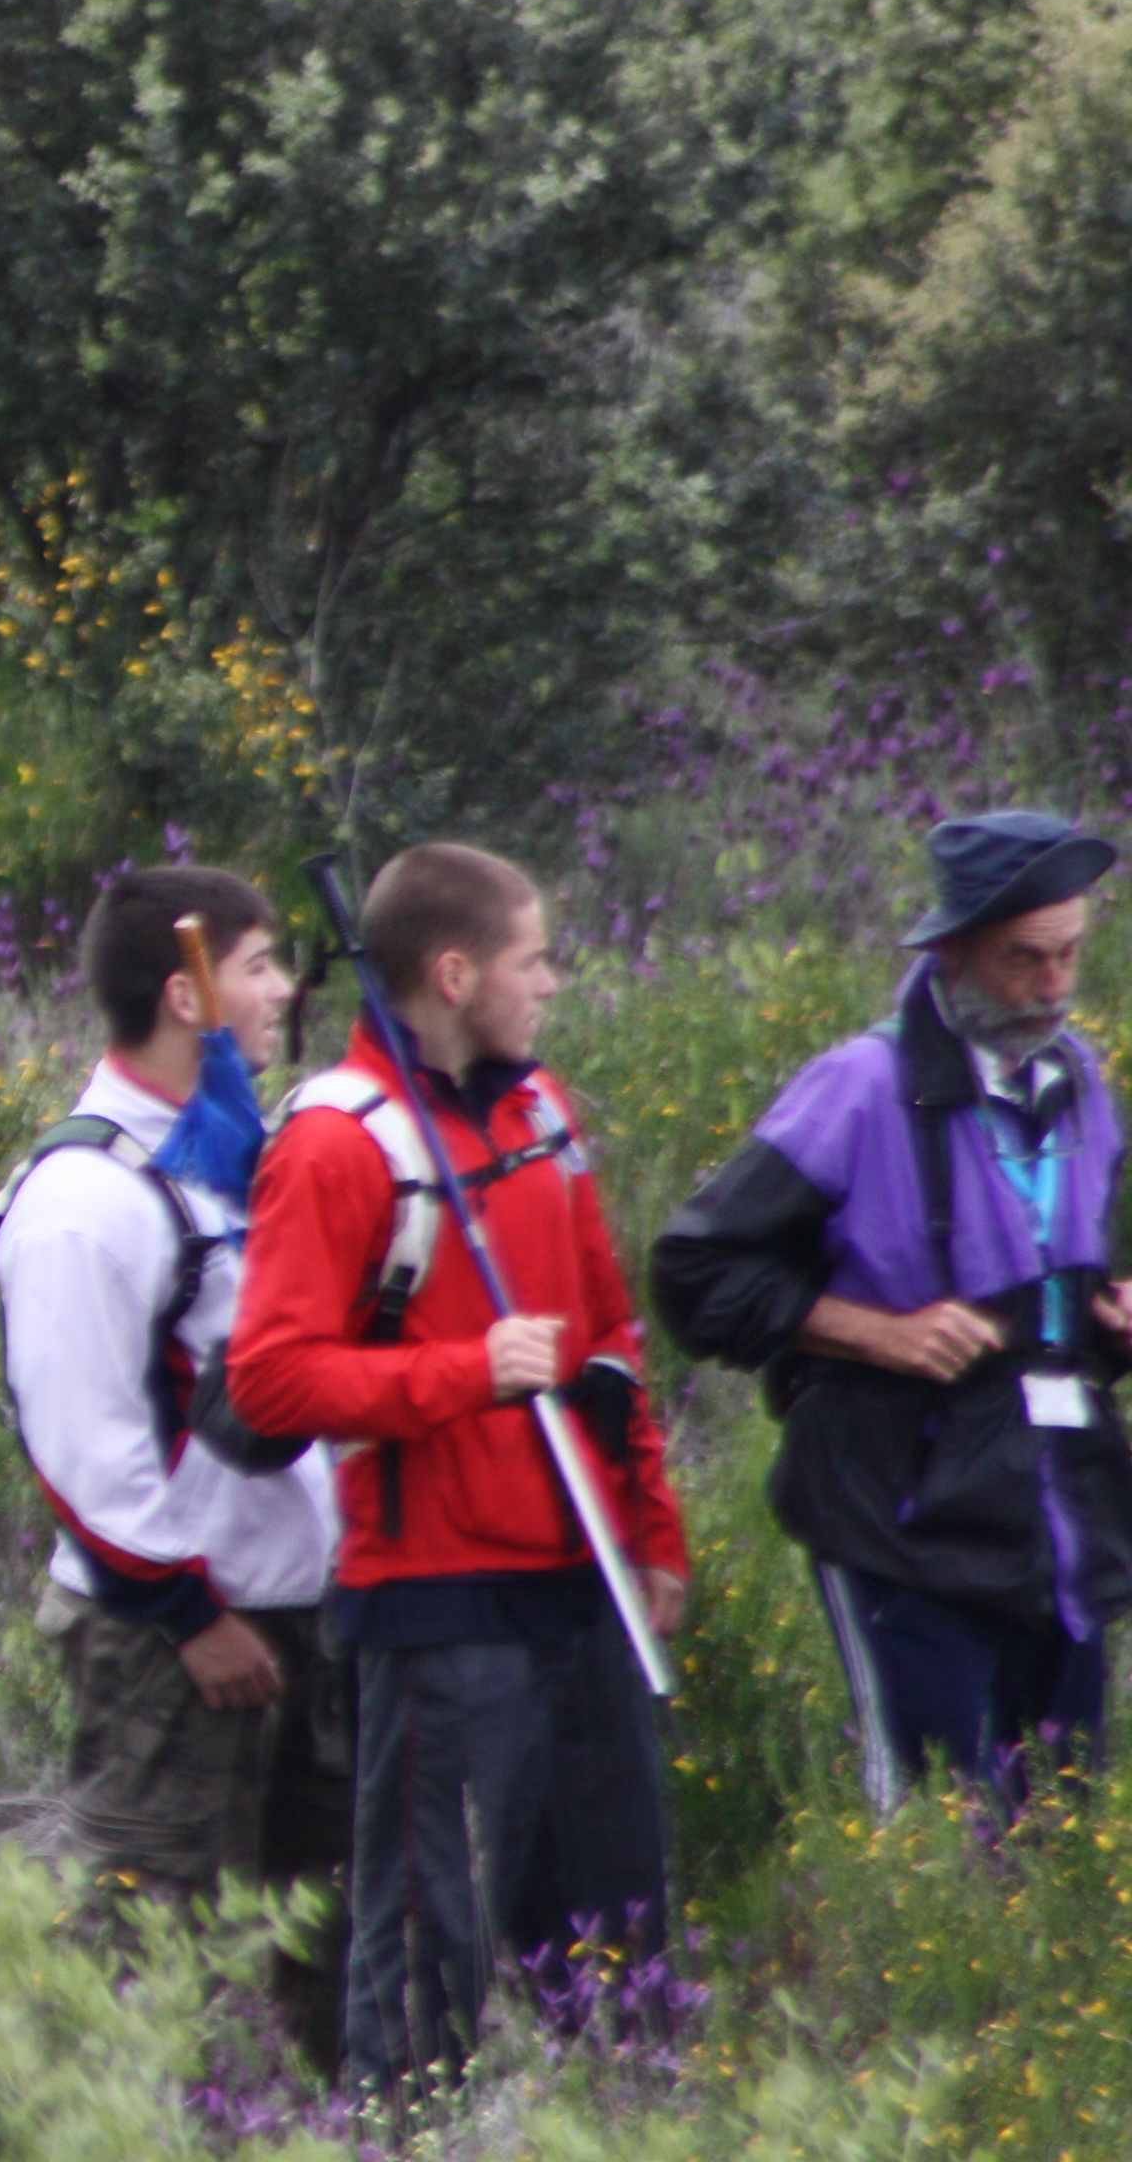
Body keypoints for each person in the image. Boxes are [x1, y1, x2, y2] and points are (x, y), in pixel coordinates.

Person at [227, 843, 689, 2091]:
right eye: (531, 960)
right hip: (434, 1606)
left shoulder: (545, 1114)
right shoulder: (333, 1145)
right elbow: (270, 1381)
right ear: (452, 972)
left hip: (583, 1584)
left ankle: (635, 2116)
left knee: (622, 1935)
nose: (549, 983)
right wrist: (462, 1374)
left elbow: (611, 1341)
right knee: (426, 1949)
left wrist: (650, 1533)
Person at [652, 810, 1132, 1812]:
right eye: (1022, 959)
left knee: (1064, 1826)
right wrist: (877, 1333)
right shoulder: (860, 1087)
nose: (1052, 987)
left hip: (1058, 1519)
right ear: (950, 953)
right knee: (931, 1833)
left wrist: (1104, 1314)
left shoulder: (1081, 1079)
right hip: (900, 1517)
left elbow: (1065, 1265)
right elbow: (696, 1271)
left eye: (1069, 955)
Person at [0, 867, 348, 2070]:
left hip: (301, 1617)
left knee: (333, 1944)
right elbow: (80, 1445)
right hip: (174, 1641)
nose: (284, 989)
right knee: (152, 1960)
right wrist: (189, 1615)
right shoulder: (84, 1198)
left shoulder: (241, 1156)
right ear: (187, 996)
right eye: (258, 965)